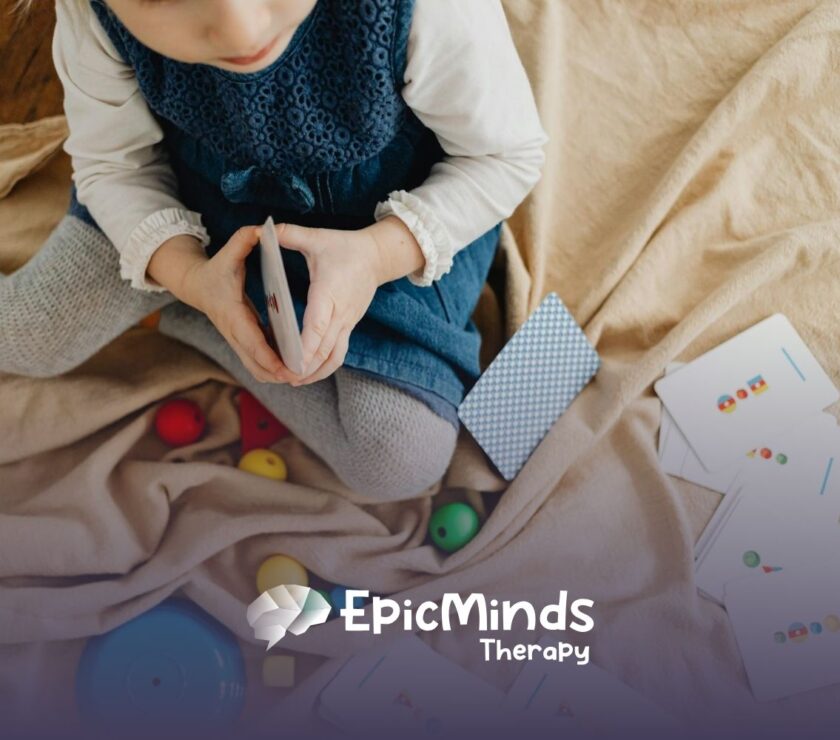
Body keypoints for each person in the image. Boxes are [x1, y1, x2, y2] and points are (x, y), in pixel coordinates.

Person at [1, 0, 547, 500]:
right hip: (183, 200)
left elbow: (505, 156)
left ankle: (189, 319)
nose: (242, 28)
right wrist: (186, 273)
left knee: (400, 460)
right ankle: (194, 302)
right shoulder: (93, 13)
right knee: (25, 332)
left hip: (389, 226)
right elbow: (116, 167)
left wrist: (377, 255)